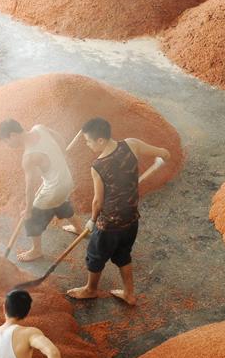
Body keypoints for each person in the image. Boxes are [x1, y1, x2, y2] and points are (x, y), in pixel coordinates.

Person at [67, 117, 172, 306]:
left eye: (88, 141)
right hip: (131, 218)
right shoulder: (132, 144)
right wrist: (163, 157)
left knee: (94, 255)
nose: (87, 144)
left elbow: (98, 200)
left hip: (109, 223)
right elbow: (165, 154)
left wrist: (92, 220)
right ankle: (129, 294)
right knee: (123, 254)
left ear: (100, 140)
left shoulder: (98, 166)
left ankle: (90, 290)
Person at [0, 119, 84, 262]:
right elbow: (60, 138)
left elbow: (30, 187)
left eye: (6, 142)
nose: (8, 146)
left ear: (13, 135)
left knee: (31, 219)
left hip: (55, 188)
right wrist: (62, 152)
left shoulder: (28, 156)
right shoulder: (39, 128)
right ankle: (78, 228)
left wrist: (29, 210)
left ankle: (36, 251)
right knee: (61, 202)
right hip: (67, 180)